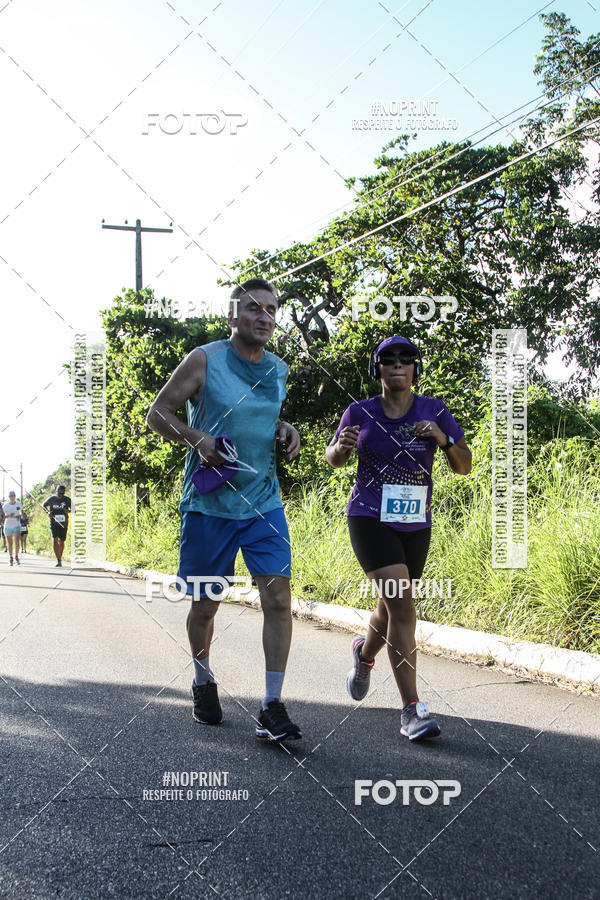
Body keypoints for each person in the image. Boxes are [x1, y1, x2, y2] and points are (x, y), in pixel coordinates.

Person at [147, 278, 302, 742]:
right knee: (206, 605)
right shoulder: (204, 360)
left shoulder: (278, 369)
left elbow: (259, 415)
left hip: (263, 504)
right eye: (253, 308)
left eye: (271, 310)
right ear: (233, 316)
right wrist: (200, 440)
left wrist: (284, 428)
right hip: (210, 506)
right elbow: (158, 414)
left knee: (278, 599)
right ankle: (202, 679)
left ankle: (272, 706)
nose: (264, 316)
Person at [326, 336, 471, 741]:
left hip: (415, 523)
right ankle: (412, 710)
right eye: (387, 359)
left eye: (406, 360)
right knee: (404, 608)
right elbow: (334, 458)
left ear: (414, 370)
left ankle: (363, 653)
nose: (397, 365)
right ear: (378, 370)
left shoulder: (434, 410)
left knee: (389, 610)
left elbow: (464, 466)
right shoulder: (359, 411)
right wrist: (341, 446)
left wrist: (443, 441)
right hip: (369, 517)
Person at [43, 485, 71, 567]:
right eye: (59, 493)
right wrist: (48, 512)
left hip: (63, 522)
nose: (60, 494)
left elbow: (74, 509)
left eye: (62, 493)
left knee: (61, 541)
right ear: (56, 491)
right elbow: (43, 505)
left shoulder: (67, 500)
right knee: (55, 539)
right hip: (53, 522)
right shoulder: (51, 499)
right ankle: (58, 559)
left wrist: (68, 510)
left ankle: (60, 557)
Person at [2, 491, 23, 565]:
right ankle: (11, 557)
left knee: (17, 541)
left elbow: (21, 512)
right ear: (9, 497)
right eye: (10, 496)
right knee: (10, 543)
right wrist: (9, 515)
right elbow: (3, 516)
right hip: (8, 525)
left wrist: (19, 515)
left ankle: (16, 556)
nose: (12, 497)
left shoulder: (18, 504)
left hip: (16, 524)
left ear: (15, 496)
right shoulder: (5, 506)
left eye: (13, 496)